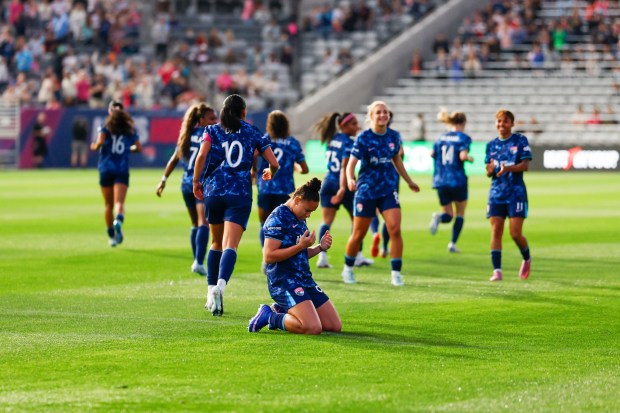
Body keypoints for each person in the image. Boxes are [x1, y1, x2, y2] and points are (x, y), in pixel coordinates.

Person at [193, 94, 279, 316]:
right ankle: (220, 287)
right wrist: (270, 172)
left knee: (215, 243)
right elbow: (274, 162)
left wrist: (196, 180)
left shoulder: (212, 130)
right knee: (230, 245)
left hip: (214, 192)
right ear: (243, 112)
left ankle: (210, 292)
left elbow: (201, 156)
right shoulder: (252, 131)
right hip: (239, 194)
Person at [248, 178, 342, 334]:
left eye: (311, 212)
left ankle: (285, 308)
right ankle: (270, 316)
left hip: (304, 280)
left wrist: (319, 247)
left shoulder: (299, 218)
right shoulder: (277, 218)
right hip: (285, 282)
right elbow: (269, 256)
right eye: (307, 210)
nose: (308, 215)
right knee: (312, 327)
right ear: (297, 200)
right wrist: (300, 246)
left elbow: (300, 254)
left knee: (334, 326)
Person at [342, 101, 420, 286]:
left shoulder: (394, 136)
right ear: (371, 116)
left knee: (395, 228)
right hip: (366, 190)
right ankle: (348, 269)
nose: (383, 115)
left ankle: (396, 273)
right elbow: (351, 164)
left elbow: (397, 160)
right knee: (358, 233)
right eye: (378, 112)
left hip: (387, 189)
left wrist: (409, 181)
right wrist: (350, 179)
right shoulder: (364, 138)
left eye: (385, 112)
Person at [156, 103, 218, 276]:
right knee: (203, 222)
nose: (215, 121)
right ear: (201, 119)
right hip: (200, 183)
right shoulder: (210, 134)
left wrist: (163, 180)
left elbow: (174, 160)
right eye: (212, 118)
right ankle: (198, 261)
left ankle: (196, 259)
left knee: (194, 224)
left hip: (185, 184)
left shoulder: (187, 135)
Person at [312, 112, 374, 269]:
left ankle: (322, 257)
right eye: (354, 124)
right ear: (344, 126)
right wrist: (342, 188)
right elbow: (344, 167)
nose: (357, 127)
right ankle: (358, 256)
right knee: (357, 220)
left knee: (326, 221)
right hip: (344, 184)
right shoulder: (348, 142)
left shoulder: (332, 139)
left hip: (327, 183)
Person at [256, 110, 308, 272]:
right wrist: (295, 168)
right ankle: (286, 259)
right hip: (285, 191)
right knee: (287, 226)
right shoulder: (292, 143)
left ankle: (267, 258)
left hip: (265, 188)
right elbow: (305, 169)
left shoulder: (264, 140)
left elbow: (252, 156)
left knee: (264, 225)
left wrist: (253, 172)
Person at [485, 109, 532, 282]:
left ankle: (526, 258)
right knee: (496, 230)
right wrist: (489, 171)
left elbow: (525, 165)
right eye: (499, 121)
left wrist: (508, 168)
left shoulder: (520, 140)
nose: (501, 125)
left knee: (515, 233)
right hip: (496, 193)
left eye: (505, 121)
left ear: (512, 124)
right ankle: (497, 271)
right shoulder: (491, 145)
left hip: (516, 193)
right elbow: (489, 171)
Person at [90, 101, 142, 247]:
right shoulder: (130, 129)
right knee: (119, 202)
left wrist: (94, 146)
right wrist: (126, 149)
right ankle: (118, 220)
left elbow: (99, 143)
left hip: (106, 168)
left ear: (110, 111)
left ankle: (112, 236)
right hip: (122, 168)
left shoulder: (105, 126)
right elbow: (138, 148)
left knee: (108, 204)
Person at [429, 109, 474, 253]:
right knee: (460, 212)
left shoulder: (440, 137)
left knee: (448, 215)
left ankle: (439, 217)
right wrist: (469, 158)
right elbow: (462, 156)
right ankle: (452, 243)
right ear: (463, 123)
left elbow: (432, 154)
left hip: (440, 180)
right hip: (457, 180)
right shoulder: (463, 138)